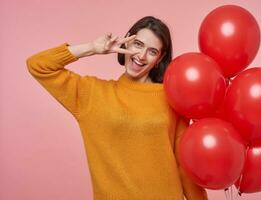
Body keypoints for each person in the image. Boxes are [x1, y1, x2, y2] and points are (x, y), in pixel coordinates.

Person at [26, 16, 208, 200]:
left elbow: (184, 165)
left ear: (159, 58)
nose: (141, 56)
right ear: (126, 41)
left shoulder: (171, 98)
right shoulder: (93, 94)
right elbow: (38, 65)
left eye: (152, 51)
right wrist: (92, 48)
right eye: (137, 44)